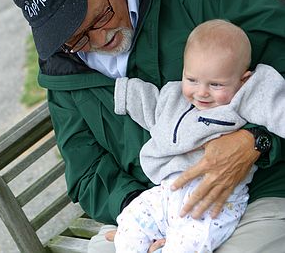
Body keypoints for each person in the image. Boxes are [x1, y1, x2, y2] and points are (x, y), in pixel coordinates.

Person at [10, 0, 285, 253]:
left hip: (256, 188)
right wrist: (143, 212)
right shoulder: (63, 71)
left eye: (100, 17)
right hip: (154, 208)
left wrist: (256, 141)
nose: (99, 40)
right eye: (77, 39)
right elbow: (86, 174)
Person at [113, 20, 285, 252]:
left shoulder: (244, 97)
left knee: (188, 245)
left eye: (215, 84)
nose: (201, 92)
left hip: (214, 202)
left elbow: (278, 108)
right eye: (192, 79)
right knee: (130, 221)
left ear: (242, 79)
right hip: (166, 192)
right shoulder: (174, 98)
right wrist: (124, 93)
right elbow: (149, 104)